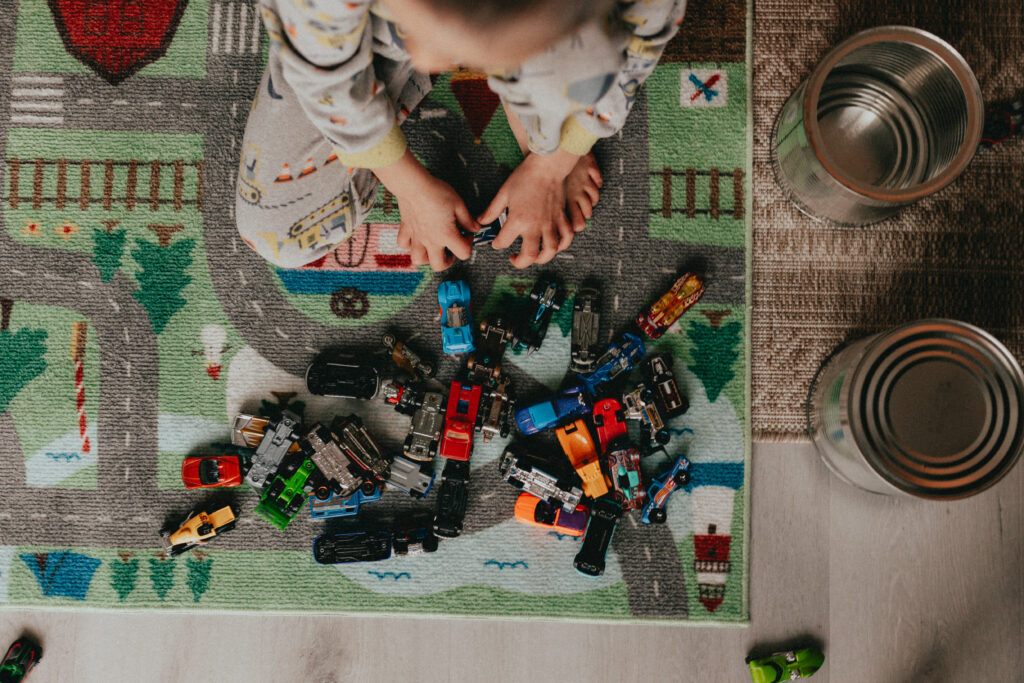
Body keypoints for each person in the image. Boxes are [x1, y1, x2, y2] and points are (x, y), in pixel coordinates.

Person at [236, 0, 687, 271]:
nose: (438, 66)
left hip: (557, 25)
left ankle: (531, 68)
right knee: (274, 231)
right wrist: (406, 184)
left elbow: (638, 47)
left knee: (589, 81)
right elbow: (324, 80)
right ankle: (529, 70)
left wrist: (554, 163)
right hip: (363, 29)